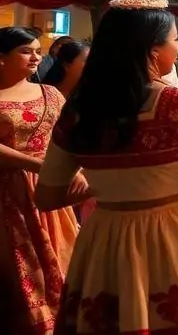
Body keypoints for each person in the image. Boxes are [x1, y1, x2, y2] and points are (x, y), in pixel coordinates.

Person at [35, 0, 178, 334]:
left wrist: (102, 187)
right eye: (175, 40)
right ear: (153, 51)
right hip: (176, 233)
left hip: (106, 236)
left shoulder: (79, 111)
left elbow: (48, 197)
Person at [0, 28, 81, 334]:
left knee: (62, 257)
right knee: (19, 268)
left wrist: (76, 170)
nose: (36, 57)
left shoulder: (51, 94)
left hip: (50, 191)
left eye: (37, 50)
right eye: (25, 51)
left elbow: (67, 136)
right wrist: (36, 164)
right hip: (8, 192)